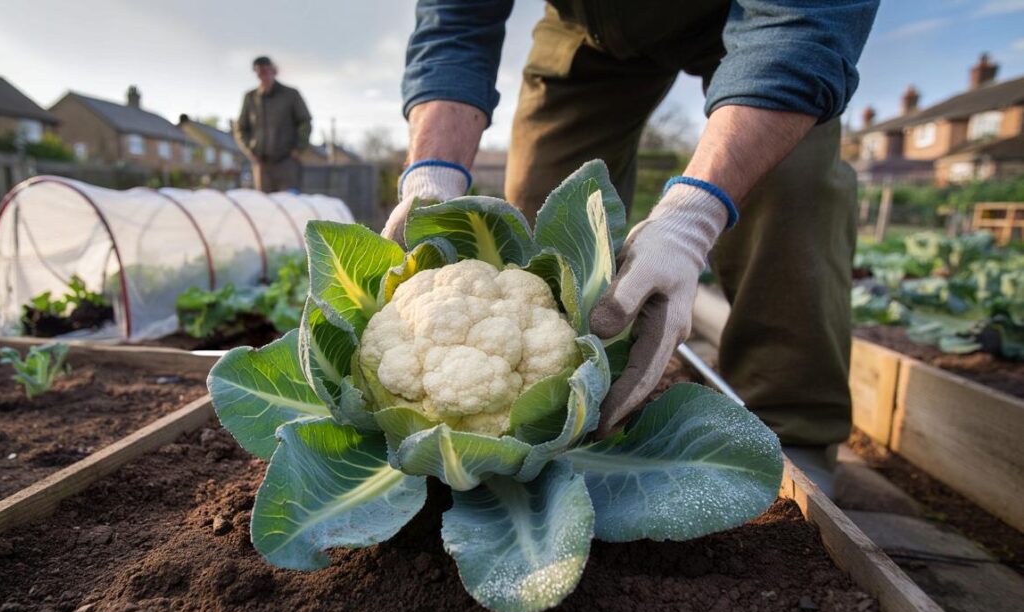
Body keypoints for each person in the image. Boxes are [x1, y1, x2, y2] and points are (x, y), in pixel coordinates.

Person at [383, 0, 880, 493]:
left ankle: (795, 435)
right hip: (586, 22)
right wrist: (432, 176)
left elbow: (803, 26)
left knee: (789, 182)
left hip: (766, 18)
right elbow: (456, 22)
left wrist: (692, 220)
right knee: (543, 215)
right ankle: (575, 422)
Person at [234, 55, 312, 192]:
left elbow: (304, 121)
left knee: (289, 205)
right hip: (261, 164)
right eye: (260, 71)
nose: (264, 74)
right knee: (266, 208)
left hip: (286, 162)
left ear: (273, 70)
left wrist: (298, 148)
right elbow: (240, 127)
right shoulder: (251, 98)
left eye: (266, 69)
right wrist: (249, 149)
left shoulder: (290, 95)